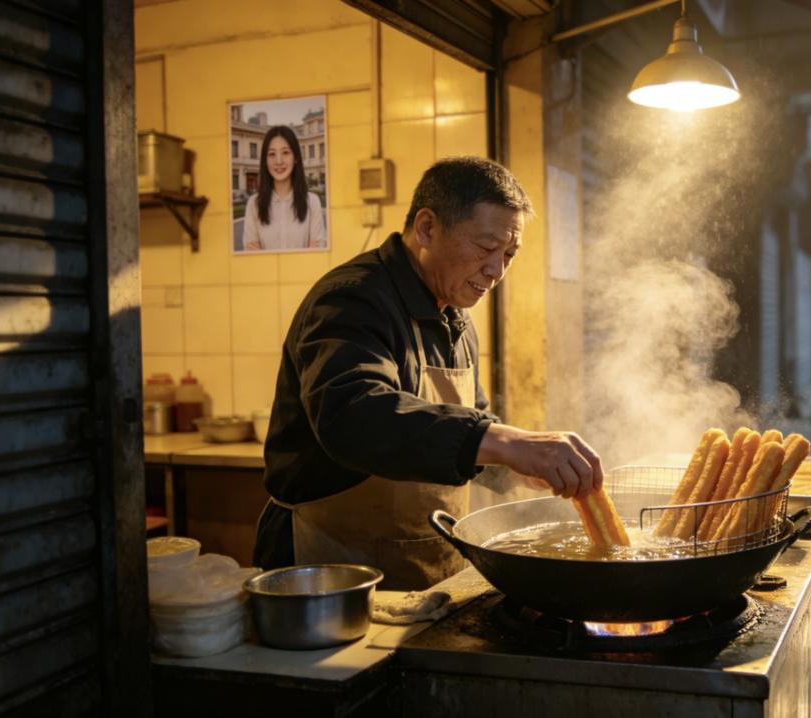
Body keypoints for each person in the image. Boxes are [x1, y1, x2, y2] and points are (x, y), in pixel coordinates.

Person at [253, 156, 603, 590]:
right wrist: (507, 442)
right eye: (486, 248)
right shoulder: (352, 300)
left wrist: (513, 467)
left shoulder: (454, 315)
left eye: (509, 254)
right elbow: (353, 415)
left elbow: (467, 419)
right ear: (426, 228)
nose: (497, 271)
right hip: (328, 571)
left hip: (419, 566)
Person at [242, 125, 327, 251]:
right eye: (272, 154)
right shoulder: (254, 204)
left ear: (296, 158)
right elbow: (252, 254)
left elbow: (316, 252)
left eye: (285, 152)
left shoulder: (312, 202)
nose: (279, 161)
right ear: (265, 160)